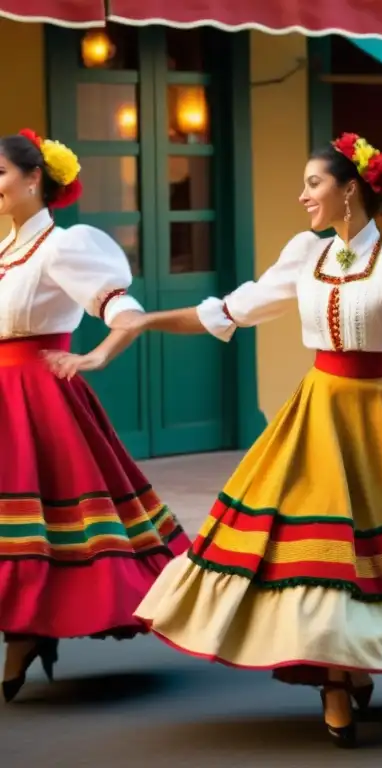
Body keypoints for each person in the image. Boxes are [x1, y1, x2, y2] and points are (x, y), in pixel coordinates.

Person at [121, 133, 382, 749]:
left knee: (372, 555)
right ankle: (333, 676)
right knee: (315, 550)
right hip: (315, 414)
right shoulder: (305, 254)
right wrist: (146, 321)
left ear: (350, 189)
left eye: (314, 183)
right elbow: (230, 311)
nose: (302, 195)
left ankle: (348, 664)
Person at [0, 129, 188, 703]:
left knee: (42, 526)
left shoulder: (64, 246)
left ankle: (25, 634)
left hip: (38, 394)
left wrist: (96, 355)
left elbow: (124, 310)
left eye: (0, 175)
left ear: (35, 180)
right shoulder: (5, 249)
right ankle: (23, 633)